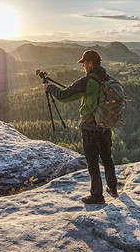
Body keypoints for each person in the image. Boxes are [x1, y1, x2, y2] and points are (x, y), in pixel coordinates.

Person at [44, 50, 118, 204]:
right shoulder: (107, 78)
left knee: (92, 161)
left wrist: (49, 88)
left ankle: (97, 196)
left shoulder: (87, 81)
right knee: (106, 157)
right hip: (105, 126)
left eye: (84, 63)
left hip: (90, 128)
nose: (83, 66)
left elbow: (64, 96)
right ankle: (113, 188)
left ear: (91, 63)